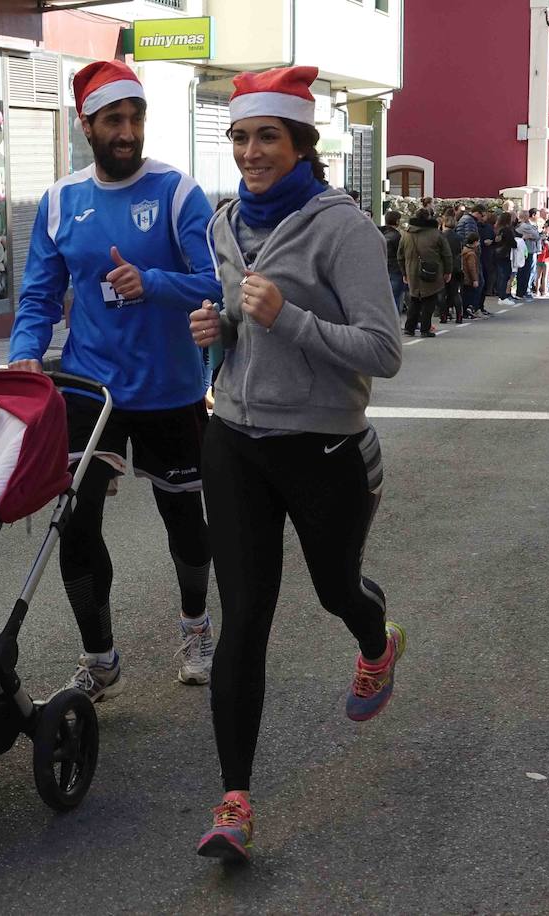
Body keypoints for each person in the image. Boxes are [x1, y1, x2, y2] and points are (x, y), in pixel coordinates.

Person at [186, 66, 403, 864]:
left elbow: (384, 352)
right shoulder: (222, 224)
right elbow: (246, 329)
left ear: (301, 143)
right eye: (240, 137)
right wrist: (220, 331)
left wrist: (291, 318)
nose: (250, 152)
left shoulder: (344, 229)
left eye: (266, 137)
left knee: (335, 588)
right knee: (243, 621)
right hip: (235, 440)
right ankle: (235, 802)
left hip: (323, 447)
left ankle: (377, 642)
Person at [8, 59, 221, 696]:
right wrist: (24, 354)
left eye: (135, 119)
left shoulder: (179, 193)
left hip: (170, 391)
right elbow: (39, 296)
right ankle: (99, 658)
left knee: (184, 519)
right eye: (114, 121)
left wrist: (152, 282)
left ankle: (195, 625)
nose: (127, 132)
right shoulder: (59, 201)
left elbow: (217, 283)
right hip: (88, 391)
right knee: (75, 521)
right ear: (88, 125)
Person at [399, 206, 450, 337]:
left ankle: (409, 328)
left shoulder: (406, 234)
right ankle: (425, 329)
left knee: (414, 299)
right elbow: (446, 254)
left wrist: (404, 272)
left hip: (411, 271)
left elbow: (400, 255)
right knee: (429, 300)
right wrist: (448, 271)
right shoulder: (436, 234)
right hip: (432, 270)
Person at [379, 210, 406, 315]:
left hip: (384, 268)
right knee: (396, 297)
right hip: (396, 270)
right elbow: (401, 254)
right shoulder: (397, 236)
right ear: (397, 221)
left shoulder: (381, 234)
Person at [515, 208, 540, 300]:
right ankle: (522, 291)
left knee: (526, 272)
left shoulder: (523, 225)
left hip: (527, 250)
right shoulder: (525, 226)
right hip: (527, 251)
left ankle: (522, 291)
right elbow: (537, 236)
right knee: (525, 272)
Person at [491, 212, 516, 302]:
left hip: (498, 254)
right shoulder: (507, 230)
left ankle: (500, 294)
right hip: (505, 254)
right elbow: (513, 243)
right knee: (504, 275)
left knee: (500, 275)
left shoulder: (498, 229)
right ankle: (502, 296)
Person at [461, 233, 483, 319]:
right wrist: (475, 279)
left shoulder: (464, 250)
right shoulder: (471, 254)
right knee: (469, 295)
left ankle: (465, 311)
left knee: (465, 295)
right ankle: (467, 311)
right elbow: (472, 268)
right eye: (478, 242)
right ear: (474, 242)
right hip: (469, 278)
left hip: (464, 277)